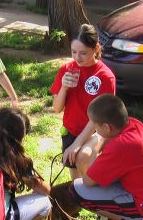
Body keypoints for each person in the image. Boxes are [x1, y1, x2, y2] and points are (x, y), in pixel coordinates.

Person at [70, 94, 143, 219]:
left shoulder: (120, 146)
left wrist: (92, 152)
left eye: (95, 125)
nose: (94, 129)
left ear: (106, 127)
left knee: (77, 190)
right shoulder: (133, 123)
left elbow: (88, 181)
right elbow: (107, 140)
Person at [50, 24, 116, 179]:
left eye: (83, 53)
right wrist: (64, 88)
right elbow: (57, 108)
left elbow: (99, 117)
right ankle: (80, 200)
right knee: (75, 177)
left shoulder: (105, 76)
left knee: (84, 160)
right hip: (70, 131)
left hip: (95, 132)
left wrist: (77, 144)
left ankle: (95, 199)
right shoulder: (66, 69)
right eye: (73, 52)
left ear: (96, 49)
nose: (77, 58)